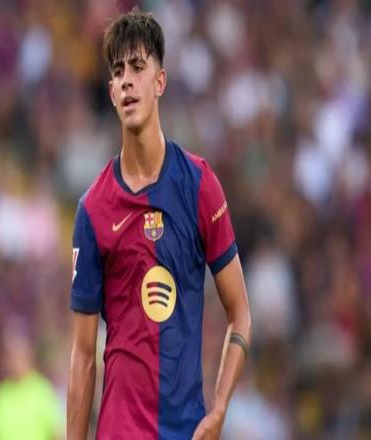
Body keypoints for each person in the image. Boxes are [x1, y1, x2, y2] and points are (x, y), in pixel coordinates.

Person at [67, 8, 251, 439]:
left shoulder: (199, 185)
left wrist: (220, 409)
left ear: (160, 82)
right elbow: (83, 354)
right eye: (117, 72)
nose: (127, 81)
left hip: (186, 430)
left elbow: (240, 312)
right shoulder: (93, 210)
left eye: (137, 67)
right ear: (111, 93)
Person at [0, 323, 65, 440]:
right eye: (11, 356)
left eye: (19, 355)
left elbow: (57, 433)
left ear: (29, 356)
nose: (15, 361)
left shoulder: (43, 391)